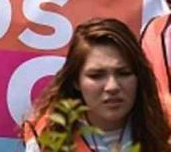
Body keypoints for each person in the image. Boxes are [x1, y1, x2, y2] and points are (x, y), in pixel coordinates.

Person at [25, 18, 169, 152]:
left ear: (139, 77)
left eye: (123, 73)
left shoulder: (165, 127)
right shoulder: (46, 136)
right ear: (76, 81)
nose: (112, 87)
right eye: (96, 76)